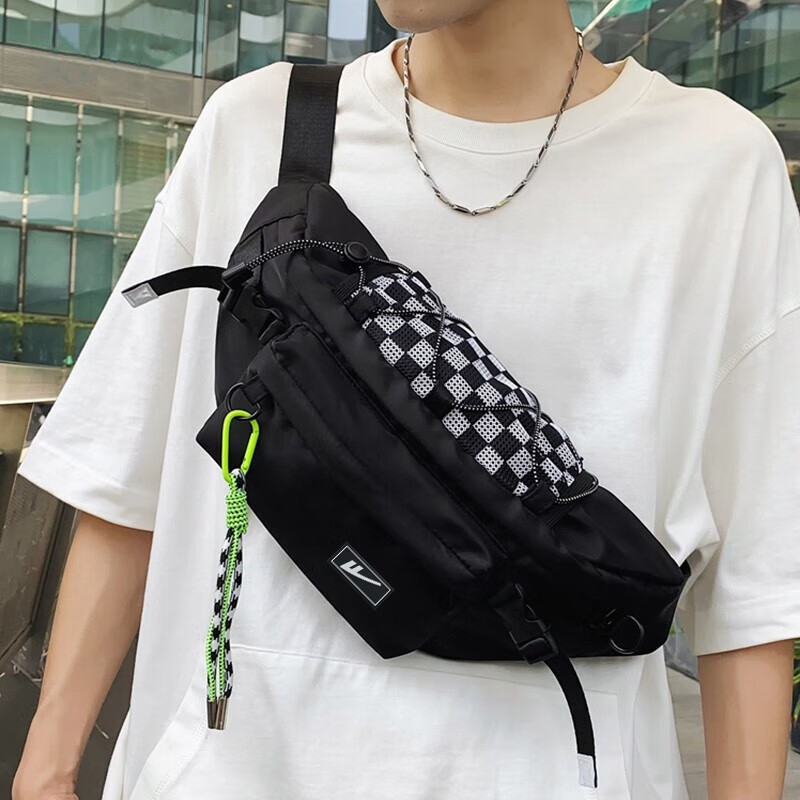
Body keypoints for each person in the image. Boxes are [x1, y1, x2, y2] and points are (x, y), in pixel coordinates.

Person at [11, 0, 800, 798]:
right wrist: (47, 771)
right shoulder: (261, 127)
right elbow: (127, 481)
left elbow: (753, 591)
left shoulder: (714, 168)